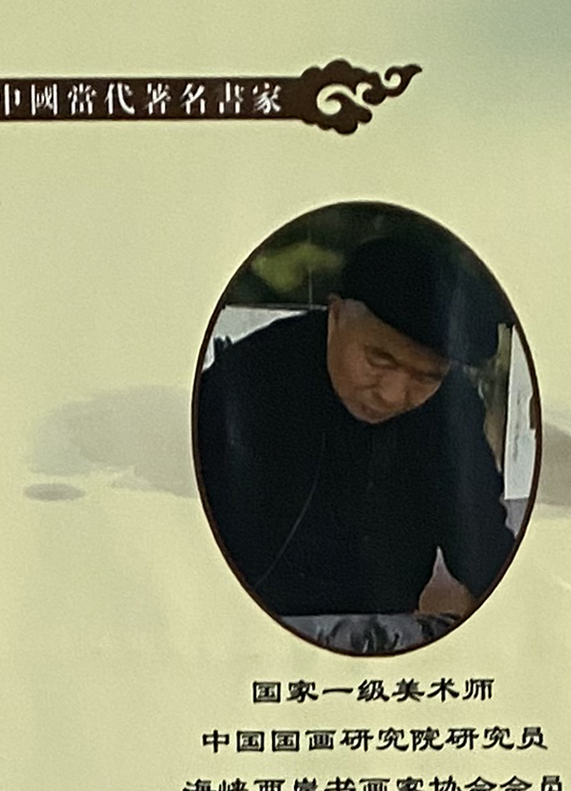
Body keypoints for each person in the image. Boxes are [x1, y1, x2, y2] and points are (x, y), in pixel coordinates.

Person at [195, 232, 518, 639]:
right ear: (335, 316)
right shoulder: (241, 386)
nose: (393, 395)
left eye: (425, 377)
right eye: (378, 360)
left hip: (382, 636)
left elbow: (480, 538)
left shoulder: (451, 406)